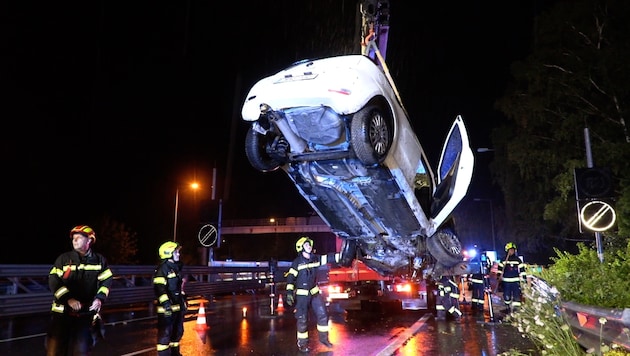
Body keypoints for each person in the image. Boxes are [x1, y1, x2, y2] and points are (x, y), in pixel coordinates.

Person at [46, 225, 114, 356]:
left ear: (89, 241)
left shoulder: (99, 260)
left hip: (84, 316)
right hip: (62, 315)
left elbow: (107, 280)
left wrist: (100, 299)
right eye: (73, 238)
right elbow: (53, 281)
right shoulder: (64, 259)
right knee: (54, 352)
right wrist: (68, 299)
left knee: (80, 351)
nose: (74, 240)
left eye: (78, 238)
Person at [285, 236, 340, 353]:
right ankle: (302, 344)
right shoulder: (296, 263)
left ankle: (324, 339)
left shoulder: (315, 259)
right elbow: (290, 278)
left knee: (323, 314)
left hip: (314, 292)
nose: (309, 247)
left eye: (309, 245)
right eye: (306, 245)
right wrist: (289, 292)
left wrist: (342, 255)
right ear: (300, 248)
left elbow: (329, 257)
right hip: (302, 294)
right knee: (302, 319)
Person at [153, 241, 187, 356]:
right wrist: (166, 303)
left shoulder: (176, 268)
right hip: (166, 310)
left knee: (177, 333)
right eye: (176, 252)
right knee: (165, 334)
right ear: (169, 253)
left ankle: (175, 354)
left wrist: (183, 302)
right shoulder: (162, 269)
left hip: (177, 307)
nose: (178, 254)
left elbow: (178, 288)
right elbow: (159, 288)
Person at [497, 242, 526, 313]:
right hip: (506, 282)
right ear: (507, 251)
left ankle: (516, 310)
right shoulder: (503, 260)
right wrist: (498, 277)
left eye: (513, 250)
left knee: (516, 295)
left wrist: (524, 279)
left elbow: (522, 270)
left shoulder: (518, 260)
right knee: (507, 296)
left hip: (515, 282)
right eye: (510, 250)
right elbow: (500, 270)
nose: (511, 251)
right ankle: (507, 308)